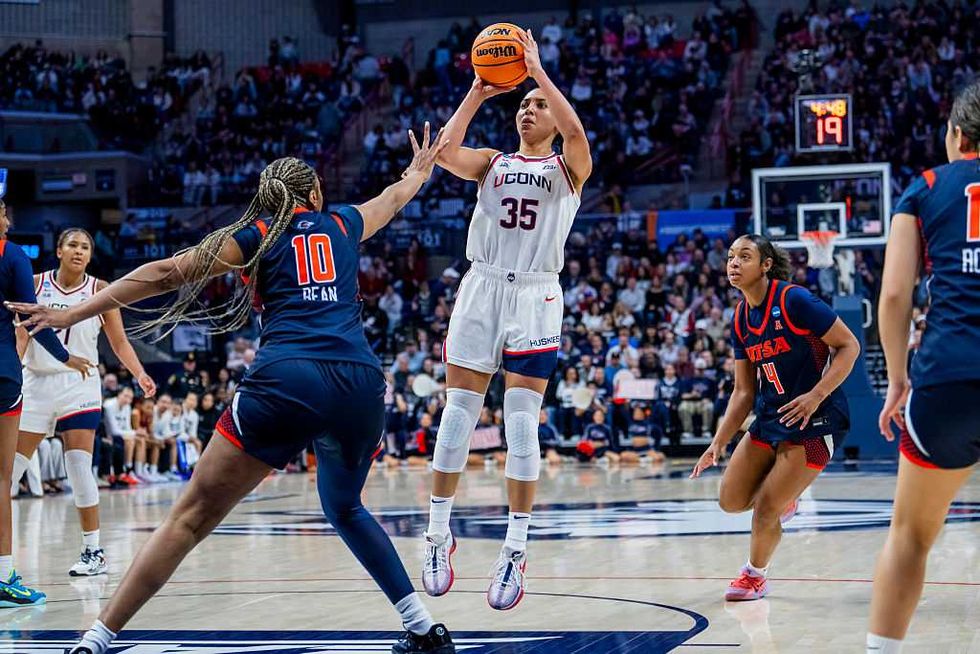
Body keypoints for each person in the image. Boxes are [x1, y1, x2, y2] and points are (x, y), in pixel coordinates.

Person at [11, 133, 458, 653]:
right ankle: (424, 628)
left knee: (191, 516)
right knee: (345, 506)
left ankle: (97, 638)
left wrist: (70, 313)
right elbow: (397, 196)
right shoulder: (344, 222)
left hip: (288, 380)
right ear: (314, 194)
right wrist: (420, 169)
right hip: (360, 383)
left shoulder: (258, 235)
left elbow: (162, 275)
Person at [420, 28, 592, 611]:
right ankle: (438, 535)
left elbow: (574, 131)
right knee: (456, 418)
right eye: (523, 103)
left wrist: (538, 72)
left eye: (536, 104)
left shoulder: (569, 169)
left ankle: (516, 546)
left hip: (537, 296)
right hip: (482, 287)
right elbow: (442, 153)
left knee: (521, 424)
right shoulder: (492, 163)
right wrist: (477, 88)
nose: (528, 108)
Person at [867, 82, 980, 654]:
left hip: (947, 377)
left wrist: (898, 381)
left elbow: (893, 299)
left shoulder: (927, 187)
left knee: (910, 536)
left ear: (958, 136)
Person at [690, 234, 859, 601]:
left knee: (766, 508)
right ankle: (788, 496)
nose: (733, 263)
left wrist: (816, 395)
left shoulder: (793, 300)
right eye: (731, 256)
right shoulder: (739, 318)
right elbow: (743, 392)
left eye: (744, 256)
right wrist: (718, 442)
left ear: (766, 265)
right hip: (769, 417)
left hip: (815, 420)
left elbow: (849, 345)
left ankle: (755, 574)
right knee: (730, 500)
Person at [11, 227, 157, 577]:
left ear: (91, 255)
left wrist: (139, 374)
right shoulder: (34, 283)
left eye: (85, 247)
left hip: (80, 384)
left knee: (78, 465)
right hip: (36, 382)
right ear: (59, 250)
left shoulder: (100, 290)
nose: (79, 251)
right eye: (72, 245)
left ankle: (93, 550)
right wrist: (12, 376)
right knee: (10, 470)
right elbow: (20, 335)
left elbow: (119, 342)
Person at [0, 199, 91, 608]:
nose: (8, 219)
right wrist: (65, 355)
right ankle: (3, 576)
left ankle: (94, 547)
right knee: (3, 477)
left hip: (67, 390)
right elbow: (31, 321)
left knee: (71, 466)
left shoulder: (97, 288)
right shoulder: (13, 256)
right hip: (12, 377)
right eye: (4, 213)